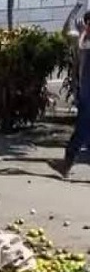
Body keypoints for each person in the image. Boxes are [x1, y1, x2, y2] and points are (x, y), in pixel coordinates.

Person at [53, 10, 90, 178]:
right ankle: (67, 163)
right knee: (83, 129)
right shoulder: (82, 41)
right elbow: (65, 32)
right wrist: (74, 13)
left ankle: (67, 163)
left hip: (84, 93)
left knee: (85, 130)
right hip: (86, 94)